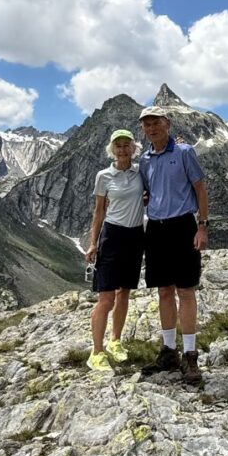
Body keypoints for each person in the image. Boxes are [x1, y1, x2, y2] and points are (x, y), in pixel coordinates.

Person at [137, 106, 209, 384]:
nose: (151, 128)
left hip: (182, 226)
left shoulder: (184, 152)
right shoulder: (144, 160)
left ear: (167, 123)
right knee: (164, 291)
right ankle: (169, 351)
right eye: (146, 125)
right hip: (155, 228)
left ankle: (190, 355)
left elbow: (200, 188)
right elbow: (147, 191)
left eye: (155, 123)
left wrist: (202, 226)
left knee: (186, 290)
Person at [83, 129, 146, 371]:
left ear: (133, 148)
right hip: (112, 235)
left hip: (135, 236)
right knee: (106, 297)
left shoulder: (141, 171)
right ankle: (96, 352)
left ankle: (115, 341)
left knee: (124, 293)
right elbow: (98, 212)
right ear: (112, 149)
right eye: (117, 145)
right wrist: (93, 243)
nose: (122, 149)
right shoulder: (104, 176)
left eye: (126, 145)